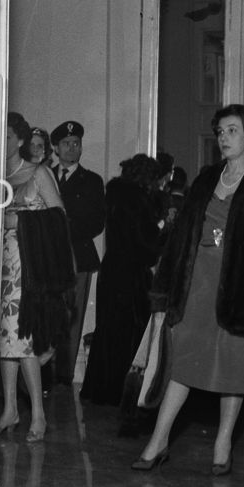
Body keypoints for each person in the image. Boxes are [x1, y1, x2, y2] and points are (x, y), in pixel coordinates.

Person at [132, 104, 244, 474]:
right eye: (220, 132)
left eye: (232, 131)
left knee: (233, 364)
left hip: (240, 289)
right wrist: (165, 289)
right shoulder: (205, 179)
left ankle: (223, 443)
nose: (223, 138)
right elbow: (179, 238)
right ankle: (158, 440)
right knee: (182, 362)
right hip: (197, 284)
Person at [0, 112, 73, 443]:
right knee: (4, 340)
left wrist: (19, 222)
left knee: (24, 338)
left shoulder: (38, 173)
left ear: (20, 140)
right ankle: (10, 409)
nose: (2, 142)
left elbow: (59, 217)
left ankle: (38, 415)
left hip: (29, 267)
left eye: (8, 136)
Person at [79, 154, 165, 407]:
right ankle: (121, 391)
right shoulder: (139, 201)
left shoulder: (116, 196)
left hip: (112, 270)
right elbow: (147, 244)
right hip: (132, 274)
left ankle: (99, 389)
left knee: (108, 331)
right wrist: (162, 228)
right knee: (130, 333)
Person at [50, 120, 106, 387]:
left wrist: (64, 230)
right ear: (56, 148)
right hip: (47, 258)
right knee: (47, 313)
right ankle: (44, 373)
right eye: (66, 144)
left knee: (72, 316)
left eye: (76, 143)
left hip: (79, 257)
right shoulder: (45, 176)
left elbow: (96, 222)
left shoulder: (92, 180)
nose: (72, 148)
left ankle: (64, 374)